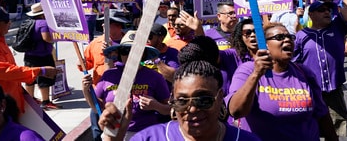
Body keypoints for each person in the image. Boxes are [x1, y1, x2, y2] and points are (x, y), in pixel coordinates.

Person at [227, 23, 338, 141]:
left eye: (290, 37)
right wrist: (256, 75)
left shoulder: (304, 72)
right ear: (265, 45)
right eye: (279, 37)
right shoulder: (248, 71)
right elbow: (236, 111)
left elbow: (322, 115)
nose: (287, 40)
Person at [99, 60, 261, 141]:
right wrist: (112, 139)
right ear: (172, 101)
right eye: (182, 100)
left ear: (219, 98)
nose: (192, 109)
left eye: (203, 99)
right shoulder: (150, 138)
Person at [83, 30, 170, 140]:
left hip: (146, 133)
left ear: (142, 53)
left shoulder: (155, 77)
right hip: (114, 133)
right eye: (125, 50)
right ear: (119, 54)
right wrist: (86, 90)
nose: (130, 54)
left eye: (135, 50)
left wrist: (155, 105)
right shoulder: (109, 75)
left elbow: (169, 109)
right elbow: (96, 107)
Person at [294, 0, 347, 137]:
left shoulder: (337, 27)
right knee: (314, 128)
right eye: (321, 10)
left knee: (336, 129)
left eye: (328, 10)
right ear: (311, 14)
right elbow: (295, 64)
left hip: (334, 91)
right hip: (312, 93)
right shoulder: (302, 36)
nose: (327, 12)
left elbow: (346, 7)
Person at [83, 13, 129, 140]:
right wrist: (82, 63)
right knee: (98, 131)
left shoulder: (129, 43)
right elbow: (85, 65)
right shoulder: (95, 43)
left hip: (124, 96)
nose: (103, 25)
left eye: (108, 23)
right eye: (103, 22)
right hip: (100, 97)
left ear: (118, 26)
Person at [23, 3, 60, 110]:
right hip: (42, 55)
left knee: (30, 77)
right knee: (45, 78)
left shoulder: (28, 22)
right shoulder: (43, 23)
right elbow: (46, 38)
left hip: (29, 55)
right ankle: (45, 101)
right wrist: (55, 38)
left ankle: (31, 99)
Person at [145, 23, 179, 89]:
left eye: (150, 36)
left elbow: (175, 77)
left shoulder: (172, 52)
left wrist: (155, 59)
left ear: (161, 38)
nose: (146, 39)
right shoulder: (140, 51)